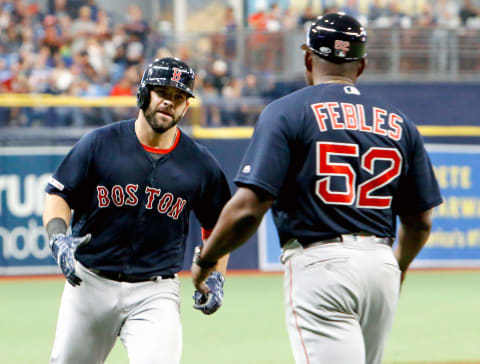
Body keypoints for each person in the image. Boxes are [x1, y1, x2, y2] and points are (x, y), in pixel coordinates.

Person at [192, 13, 442, 364]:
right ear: (363, 64)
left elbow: (249, 208)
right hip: (381, 267)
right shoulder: (399, 121)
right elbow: (420, 222)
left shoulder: (287, 112)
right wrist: (396, 266)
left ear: (308, 57)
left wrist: (207, 259)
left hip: (321, 265)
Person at [43, 57, 231, 364]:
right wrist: (57, 237)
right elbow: (58, 194)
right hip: (90, 282)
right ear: (144, 94)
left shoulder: (200, 164)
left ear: (186, 106)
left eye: (179, 97)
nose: (169, 102)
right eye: (162, 93)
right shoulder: (99, 143)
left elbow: (221, 228)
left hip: (155, 292)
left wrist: (216, 276)